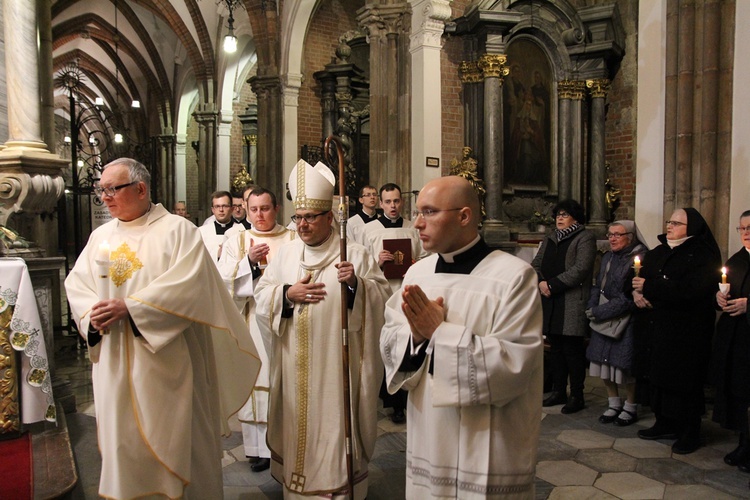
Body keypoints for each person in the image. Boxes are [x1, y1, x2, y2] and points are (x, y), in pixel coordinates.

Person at [64, 158, 260, 499]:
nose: (105, 198)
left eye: (112, 189)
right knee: (122, 447)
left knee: (177, 446)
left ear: (140, 189)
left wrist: (132, 308)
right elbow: (77, 285)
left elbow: (190, 288)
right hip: (113, 364)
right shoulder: (101, 236)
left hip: (168, 363)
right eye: (102, 191)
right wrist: (88, 317)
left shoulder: (178, 231)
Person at [380, 176, 543, 498]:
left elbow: (515, 362)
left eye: (429, 212)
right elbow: (390, 337)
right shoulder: (417, 273)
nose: (417, 223)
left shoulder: (514, 276)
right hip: (431, 427)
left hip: (486, 437)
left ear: (464, 216)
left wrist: (438, 333)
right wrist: (414, 337)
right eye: (417, 212)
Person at [254, 159, 391, 499]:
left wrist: (356, 285)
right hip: (293, 365)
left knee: (334, 425)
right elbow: (261, 297)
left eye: (310, 217)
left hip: (336, 371)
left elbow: (382, 301)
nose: (302, 224)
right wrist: (287, 294)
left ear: (330, 217)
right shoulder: (284, 255)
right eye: (297, 217)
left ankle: (337, 486)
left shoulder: (354, 254)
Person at [217, 186, 295, 473]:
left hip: (285, 320)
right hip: (250, 321)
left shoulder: (292, 238)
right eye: (254, 209)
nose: (259, 215)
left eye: (265, 208)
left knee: (283, 381)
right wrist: (248, 262)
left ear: (276, 209)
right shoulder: (237, 240)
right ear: (246, 211)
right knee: (257, 379)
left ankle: (284, 442)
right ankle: (258, 449)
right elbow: (222, 281)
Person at [632, 208, 721, 454]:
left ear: (691, 227)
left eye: (676, 222)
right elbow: (634, 278)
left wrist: (649, 287)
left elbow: (692, 290)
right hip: (657, 328)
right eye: (669, 221)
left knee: (684, 383)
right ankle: (664, 422)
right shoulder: (659, 251)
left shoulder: (703, 254)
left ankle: (689, 432)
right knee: (658, 378)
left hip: (687, 331)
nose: (669, 225)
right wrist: (635, 293)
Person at [362, 182, 428, 423]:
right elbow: (362, 265)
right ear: (380, 204)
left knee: (406, 342)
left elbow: (425, 258)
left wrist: (414, 262)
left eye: (397, 201)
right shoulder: (370, 230)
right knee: (384, 342)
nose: (393, 206)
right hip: (382, 293)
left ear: (402, 202)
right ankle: (387, 396)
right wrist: (377, 262)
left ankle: (402, 400)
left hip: (406, 292)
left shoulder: (413, 228)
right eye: (388, 201)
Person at [531, 199, 596, 414]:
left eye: (565, 214)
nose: (559, 218)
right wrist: (541, 282)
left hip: (570, 300)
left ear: (575, 218)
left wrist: (551, 284)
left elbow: (581, 268)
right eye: (558, 214)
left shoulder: (584, 237)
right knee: (556, 348)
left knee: (572, 350)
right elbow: (536, 264)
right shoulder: (550, 238)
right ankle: (559, 391)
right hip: (551, 300)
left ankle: (577, 395)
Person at [586, 220, 648, 426]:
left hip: (625, 318)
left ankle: (630, 405)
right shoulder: (607, 257)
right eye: (610, 234)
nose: (612, 238)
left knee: (624, 365)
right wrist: (593, 305)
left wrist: (600, 311)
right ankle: (613, 402)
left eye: (617, 235)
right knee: (602, 360)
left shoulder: (639, 258)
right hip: (603, 314)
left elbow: (629, 296)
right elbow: (598, 283)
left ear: (629, 237)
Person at [712, 210, 750, 468]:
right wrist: (720, 298)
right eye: (742, 228)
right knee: (740, 392)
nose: (745, 233)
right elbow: (723, 289)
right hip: (737, 339)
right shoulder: (737, 260)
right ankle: (744, 442)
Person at [198, 190, 235, 262]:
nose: (221, 210)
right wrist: (217, 254)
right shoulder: (202, 232)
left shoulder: (240, 230)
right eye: (217, 206)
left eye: (224, 206)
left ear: (232, 209)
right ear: (213, 210)